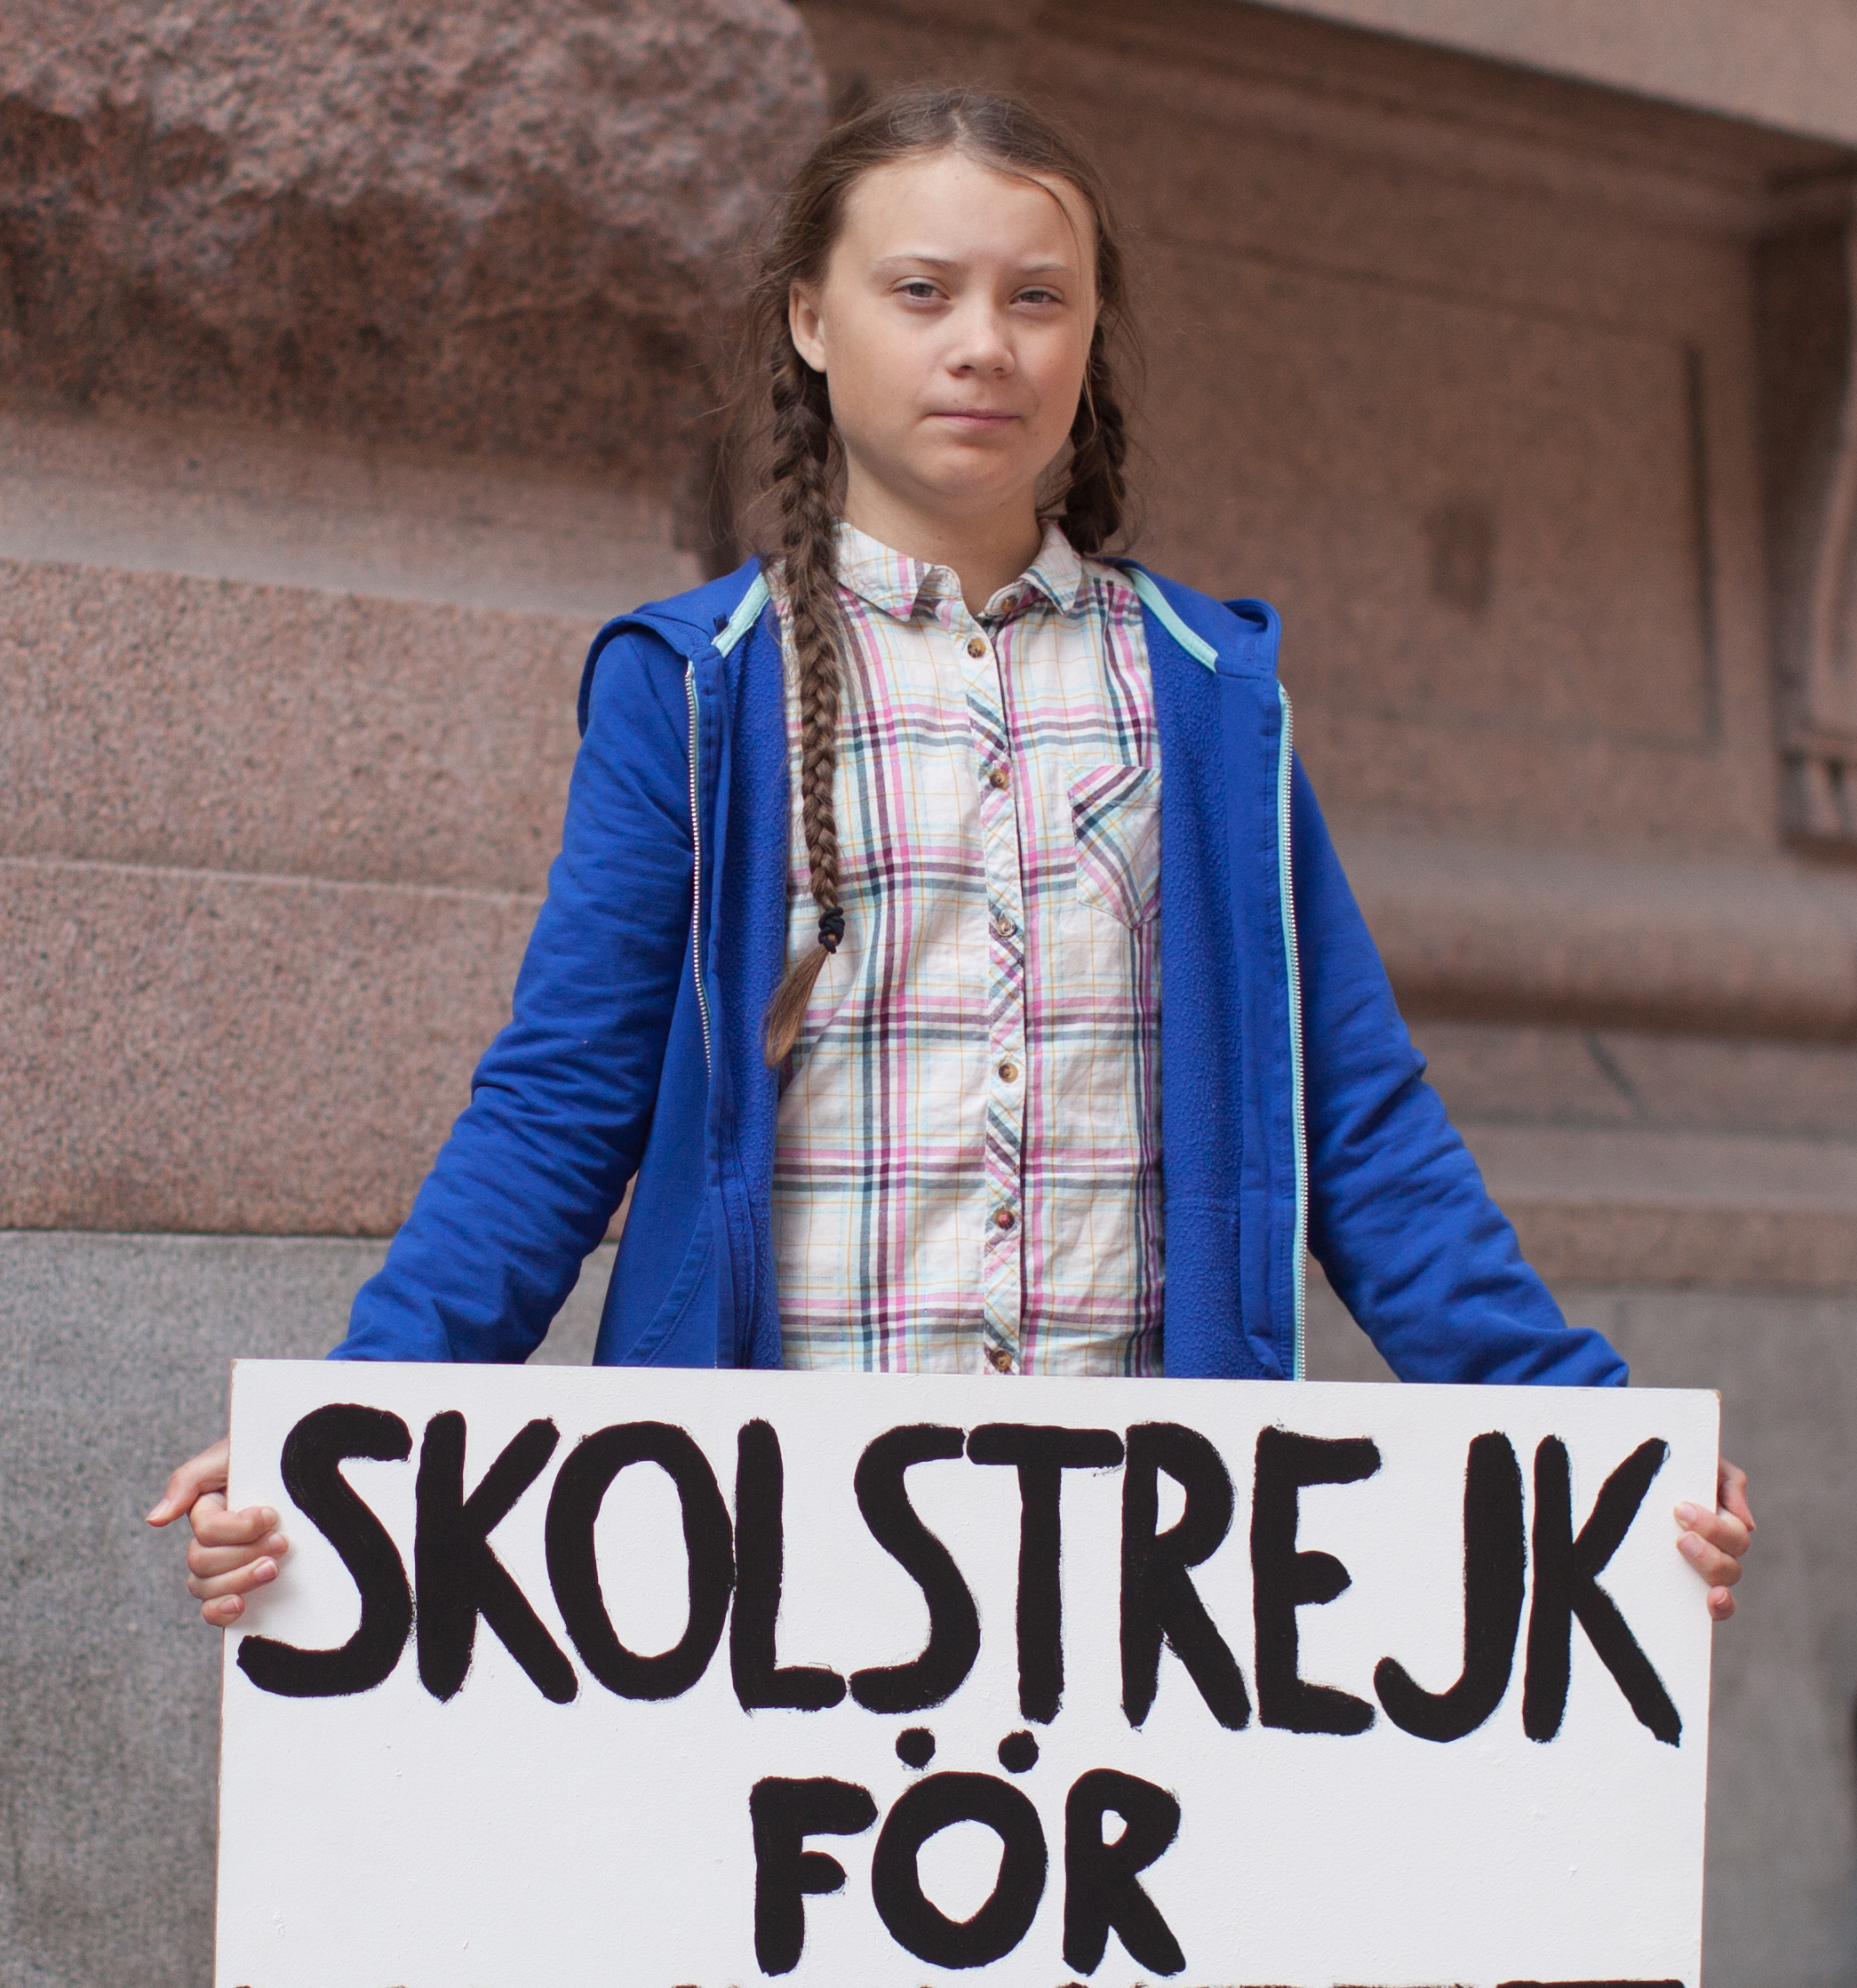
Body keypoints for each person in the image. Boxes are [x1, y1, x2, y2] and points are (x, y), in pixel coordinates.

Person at [147, 85, 1754, 1623]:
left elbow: (1363, 1129)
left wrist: (1597, 1444)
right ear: (810, 318)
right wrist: (341, 1436)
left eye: (1037, 298)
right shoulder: (700, 690)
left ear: (1086, 337)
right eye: (920, 290)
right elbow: (559, 1107)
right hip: (760, 1546)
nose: (982, 343)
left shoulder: (1202, 699)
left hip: (1142, 1553)